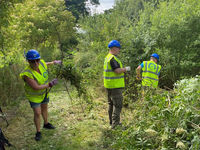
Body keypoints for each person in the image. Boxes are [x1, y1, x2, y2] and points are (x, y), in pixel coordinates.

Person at [20, 49, 61, 141]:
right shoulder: (27, 73)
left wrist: (54, 62)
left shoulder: (41, 63)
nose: (36, 63)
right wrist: (49, 84)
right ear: (28, 61)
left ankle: (46, 124)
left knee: (44, 108)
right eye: (32, 61)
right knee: (37, 112)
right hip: (34, 96)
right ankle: (38, 132)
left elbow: (45, 63)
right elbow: (35, 87)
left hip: (44, 93)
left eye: (37, 60)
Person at [103, 40, 131, 129]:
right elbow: (117, 71)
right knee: (117, 105)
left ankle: (112, 123)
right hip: (115, 87)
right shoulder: (112, 59)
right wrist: (126, 69)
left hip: (109, 85)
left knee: (111, 104)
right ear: (114, 48)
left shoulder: (107, 58)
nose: (119, 51)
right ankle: (115, 126)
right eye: (118, 49)